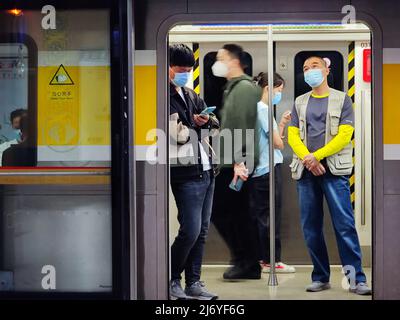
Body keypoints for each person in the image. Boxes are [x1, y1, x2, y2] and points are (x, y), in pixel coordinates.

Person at [288, 56, 372, 295]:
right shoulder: (300, 101)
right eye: (305, 68)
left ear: (326, 69)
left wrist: (318, 156)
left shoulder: (342, 99)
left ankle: (356, 279)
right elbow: (293, 136)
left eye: (314, 66)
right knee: (311, 227)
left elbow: (345, 135)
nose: (309, 71)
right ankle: (320, 276)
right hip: (306, 171)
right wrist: (308, 159)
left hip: (335, 171)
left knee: (344, 225)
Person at [169, 44, 219, 300]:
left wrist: (205, 121)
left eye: (189, 70)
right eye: (180, 69)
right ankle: (172, 278)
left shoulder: (190, 94)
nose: (185, 74)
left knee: (201, 231)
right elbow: (177, 135)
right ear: (167, 67)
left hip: (206, 169)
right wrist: (197, 126)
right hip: (185, 173)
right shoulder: (163, 96)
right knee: (189, 228)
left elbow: (215, 122)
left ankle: (194, 282)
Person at [211, 43, 262, 280]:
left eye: (220, 58)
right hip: (231, 162)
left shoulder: (242, 89)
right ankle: (245, 261)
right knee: (235, 212)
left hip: (235, 164)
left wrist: (237, 164)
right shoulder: (232, 88)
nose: (217, 63)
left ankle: (246, 261)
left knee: (227, 211)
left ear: (233, 61)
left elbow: (241, 127)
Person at [251, 72, 295, 273]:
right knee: (270, 216)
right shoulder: (263, 110)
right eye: (278, 90)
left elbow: (272, 139)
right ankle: (271, 261)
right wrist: (281, 136)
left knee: (264, 216)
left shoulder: (260, 110)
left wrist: (282, 123)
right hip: (267, 170)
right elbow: (277, 143)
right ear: (268, 88)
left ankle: (263, 258)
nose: (279, 94)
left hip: (263, 169)